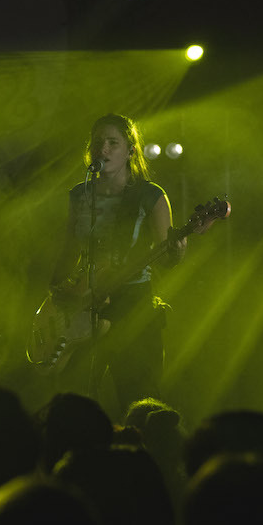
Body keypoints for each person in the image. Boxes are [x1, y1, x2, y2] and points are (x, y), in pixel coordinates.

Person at [47, 113, 184, 416]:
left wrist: (177, 251)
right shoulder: (79, 194)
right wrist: (55, 299)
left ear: (130, 150)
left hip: (132, 306)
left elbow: (168, 259)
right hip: (85, 304)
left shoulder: (150, 195)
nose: (104, 150)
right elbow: (68, 251)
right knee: (75, 401)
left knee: (139, 399)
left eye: (113, 143)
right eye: (98, 143)